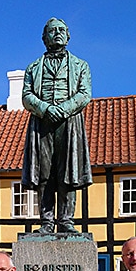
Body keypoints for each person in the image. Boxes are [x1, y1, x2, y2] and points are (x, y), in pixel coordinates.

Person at [21, 17, 92, 234]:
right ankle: (46, 221)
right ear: (44, 38)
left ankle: (66, 220)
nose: (57, 33)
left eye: (62, 30)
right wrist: (45, 109)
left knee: (68, 171)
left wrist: (63, 109)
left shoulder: (81, 65)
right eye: (53, 31)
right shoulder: (33, 68)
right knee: (44, 172)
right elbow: (26, 95)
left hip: (69, 123)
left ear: (68, 36)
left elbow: (84, 93)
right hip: (42, 123)